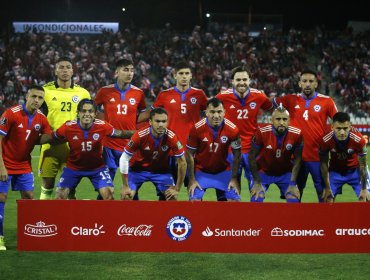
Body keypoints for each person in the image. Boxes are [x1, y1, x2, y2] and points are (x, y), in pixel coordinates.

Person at [272, 69, 337, 202]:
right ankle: (295, 222)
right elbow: (268, 103)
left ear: (316, 84)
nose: (307, 84)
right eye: (304, 81)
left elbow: (340, 122)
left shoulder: (327, 101)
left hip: (317, 157)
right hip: (295, 157)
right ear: (300, 83)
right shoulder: (290, 99)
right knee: (293, 195)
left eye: (311, 81)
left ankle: (325, 222)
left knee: (324, 194)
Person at [0, 85, 52, 250]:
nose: (37, 100)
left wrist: (60, 135)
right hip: (5, 165)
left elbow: (46, 136)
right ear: (27, 96)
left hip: (24, 165)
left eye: (40, 98)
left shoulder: (42, 118)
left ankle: (29, 237)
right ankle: (0, 238)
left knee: (29, 197)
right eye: (34, 96)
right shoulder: (11, 113)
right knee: (1, 199)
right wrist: (1, 167)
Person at [54, 99, 134, 200]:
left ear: (95, 113)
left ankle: (101, 216)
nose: (87, 114)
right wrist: (37, 138)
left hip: (97, 169)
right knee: (60, 196)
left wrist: (139, 133)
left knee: (109, 195)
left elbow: (120, 134)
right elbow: (53, 137)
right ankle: (71, 202)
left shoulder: (102, 125)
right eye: (83, 111)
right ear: (78, 113)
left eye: (90, 111)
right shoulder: (68, 127)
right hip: (73, 168)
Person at [150, 61, 208, 199]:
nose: (184, 76)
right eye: (181, 74)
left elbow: (211, 115)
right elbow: (153, 116)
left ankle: (195, 219)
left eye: (187, 73)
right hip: (168, 150)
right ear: (175, 75)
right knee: (167, 194)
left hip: (192, 150)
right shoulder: (164, 95)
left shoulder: (199, 95)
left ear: (191, 76)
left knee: (194, 192)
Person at [38, 56, 91, 200]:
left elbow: (90, 116)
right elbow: (37, 115)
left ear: (73, 71)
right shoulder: (45, 91)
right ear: (55, 71)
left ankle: (69, 221)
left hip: (72, 146)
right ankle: (44, 218)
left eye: (68, 67)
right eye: (61, 67)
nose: (65, 70)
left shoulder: (83, 93)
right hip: (51, 145)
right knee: (47, 186)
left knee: (70, 188)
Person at [216, 65, 273, 196]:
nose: (241, 82)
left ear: (249, 80)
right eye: (238, 79)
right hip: (230, 150)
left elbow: (273, 111)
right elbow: (210, 112)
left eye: (244, 79)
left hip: (253, 150)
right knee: (231, 194)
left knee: (257, 194)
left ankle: (254, 216)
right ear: (232, 81)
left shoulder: (259, 96)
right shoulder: (222, 97)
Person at [95, 58, 147, 197]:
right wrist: (104, 122)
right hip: (109, 145)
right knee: (105, 190)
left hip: (130, 145)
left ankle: (132, 217)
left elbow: (142, 113)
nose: (129, 73)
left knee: (130, 190)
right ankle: (98, 217)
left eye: (131, 70)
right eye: (125, 70)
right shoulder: (104, 91)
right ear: (116, 72)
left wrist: (133, 125)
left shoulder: (138, 93)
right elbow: (92, 110)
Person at [119, 107, 186, 201]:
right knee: (126, 196)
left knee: (172, 197)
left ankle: (162, 215)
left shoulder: (172, 137)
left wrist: (177, 189)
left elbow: (182, 162)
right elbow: (124, 158)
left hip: (161, 172)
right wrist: (125, 186)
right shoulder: (139, 135)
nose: (161, 125)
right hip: (137, 171)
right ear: (150, 122)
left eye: (164, 121)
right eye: (157, 121)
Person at [185, 98, 241, 201]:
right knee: (194, 201)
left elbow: (237, 154)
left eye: (219, 112)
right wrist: (192, 179)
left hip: (224, 171)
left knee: (234, 201)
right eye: (212, 112)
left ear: (224, 112)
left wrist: (234, 178)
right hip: (201, 171)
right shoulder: (196, 129)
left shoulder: (233, 130)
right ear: (206, 112)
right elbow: (189, 153)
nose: (216, 116)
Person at [248, 106, 303, 202]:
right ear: (272, 120)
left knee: (294, 199)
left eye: (284, 119)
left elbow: (298, 159)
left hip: (285, 173)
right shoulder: (261, 132)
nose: (281, 122)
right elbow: (251, 157)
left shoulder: (297, 134)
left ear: (289, 120)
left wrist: (293, 183)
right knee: (256, 198)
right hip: (263, 172)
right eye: (278, 119)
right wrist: (256, 181)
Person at [319, 112, 369, 202]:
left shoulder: (359, 140)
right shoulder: (325, 140)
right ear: (332, 127)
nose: (342, 132)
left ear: (350, 126)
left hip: (355, 171)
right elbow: (323, 163)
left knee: (366, 199)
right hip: (335, 172)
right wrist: (327, 187)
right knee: (327, 199)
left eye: (345, 128)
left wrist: (364, 189)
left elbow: (363, 165)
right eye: (338, 128)